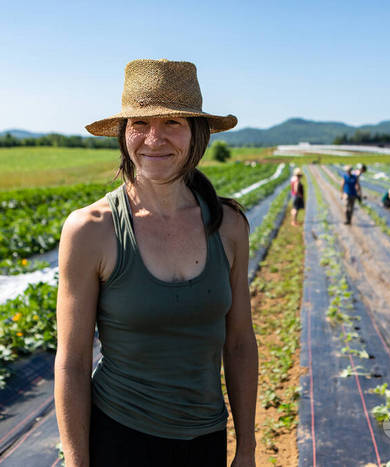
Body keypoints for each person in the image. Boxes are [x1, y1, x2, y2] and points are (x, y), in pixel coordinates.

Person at [55, 59, 258, 467]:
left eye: (172, 123)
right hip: (119, 437)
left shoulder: (229, 226)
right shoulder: (91, 230)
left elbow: (238, 343)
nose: (154, 138)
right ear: (123, 133)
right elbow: (73, 362)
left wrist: (248, 449)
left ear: (197, 134)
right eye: (139, 124)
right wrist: (77, 462)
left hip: (205, 437)